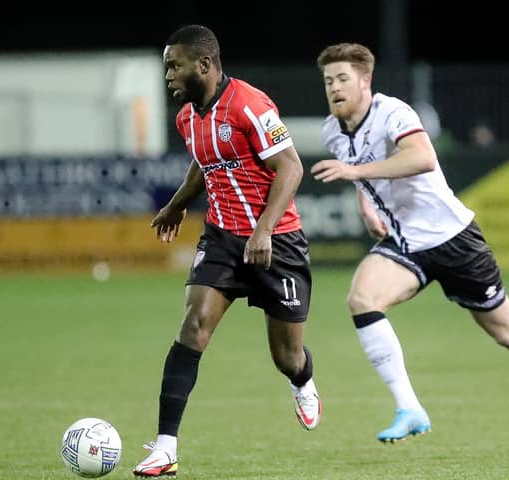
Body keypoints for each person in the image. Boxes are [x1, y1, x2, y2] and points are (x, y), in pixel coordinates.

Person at [310, 42, 509, 443]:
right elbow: (359, 168)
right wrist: (366, 200)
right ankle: (409, 408)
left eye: (343, 78)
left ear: (366, 80)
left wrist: (354, 172)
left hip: (454, 241)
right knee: (362, 298)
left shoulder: (393, 112)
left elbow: (421, 158)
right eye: (328, 80)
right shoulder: (333, 131)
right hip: (405, 244)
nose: (334, 87)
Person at [132, 25, 321, 477]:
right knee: (193, 327)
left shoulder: (251, 105)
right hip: (220, 238)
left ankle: (303, 380)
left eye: (174, 66)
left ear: (204, 65)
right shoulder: (186, 119)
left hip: (277, 244)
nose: (168, 76)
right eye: (165, 67)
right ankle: (165, 448)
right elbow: (205, 163)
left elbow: (291, 167)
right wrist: (177, 204)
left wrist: (265, 230)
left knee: (286, 356)